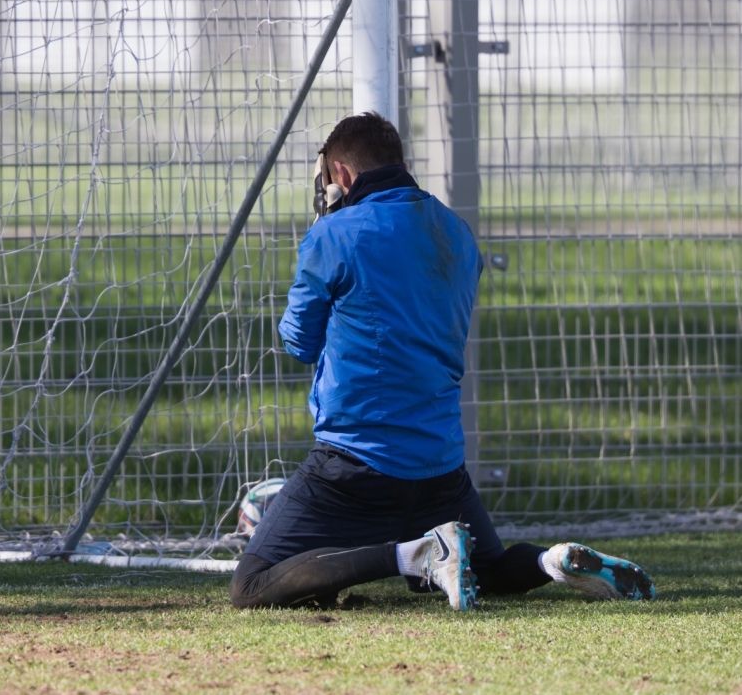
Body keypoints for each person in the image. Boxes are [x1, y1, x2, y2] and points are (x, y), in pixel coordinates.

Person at [228, 112, 656, 611]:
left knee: (252, 585)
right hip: (439, 465)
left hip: (353, 465)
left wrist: (323, 234)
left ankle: (416, 555)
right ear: (403, 164)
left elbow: (299, 342)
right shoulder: (456, 232)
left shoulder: (335, 235)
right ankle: (552, 562)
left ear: (340, 176)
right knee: (487, 569)